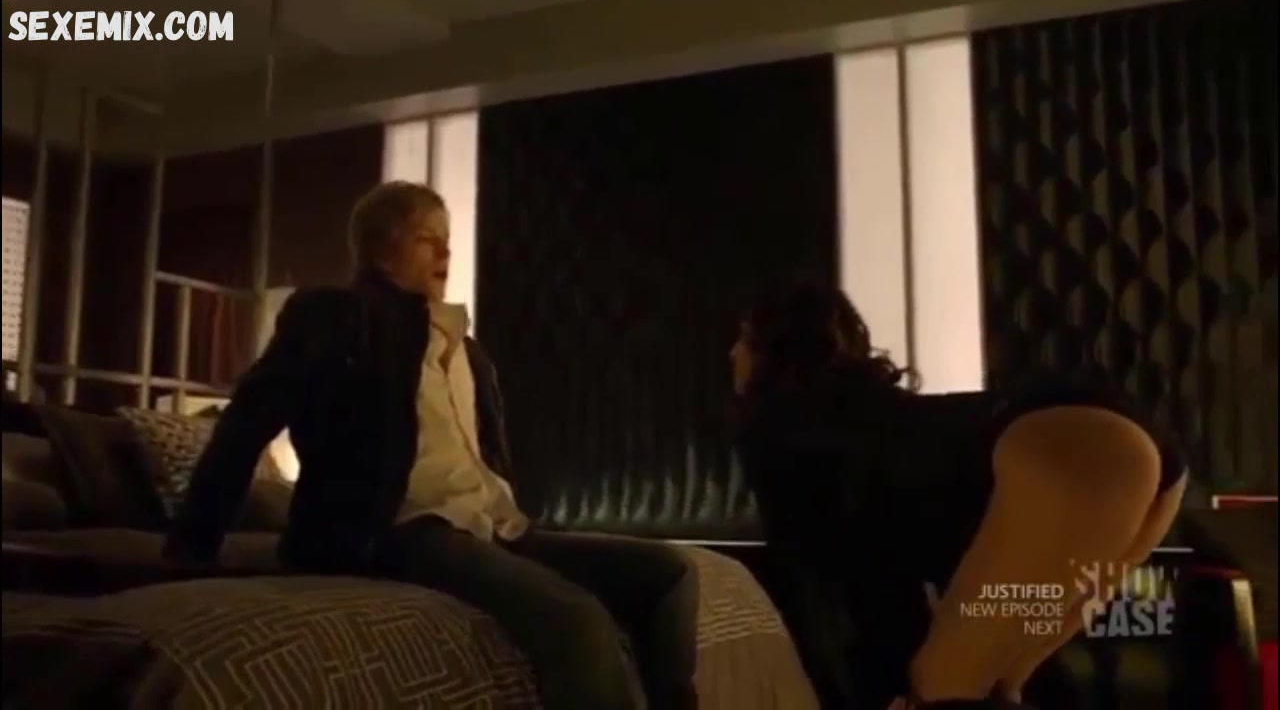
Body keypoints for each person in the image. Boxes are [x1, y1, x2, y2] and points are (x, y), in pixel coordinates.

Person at [163, 181, 699, 710]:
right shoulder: (338, 317)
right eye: (426, 238)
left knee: (668, 575)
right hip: (397, 527)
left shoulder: (466, 348)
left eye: (447, 239)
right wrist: (193, 544)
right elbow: (246, 424)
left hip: (488, 526)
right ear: (381, 249)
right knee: (577, 619)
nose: (445, 252)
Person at [729, 282, 1187, 710]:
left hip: (1071, 448)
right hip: (1135, 454)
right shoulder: (881, 418)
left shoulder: (782, 431)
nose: (733, 353)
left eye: (745, 340)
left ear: (779, 352)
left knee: (941, 685)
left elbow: (830, 586)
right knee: (1001, 682)